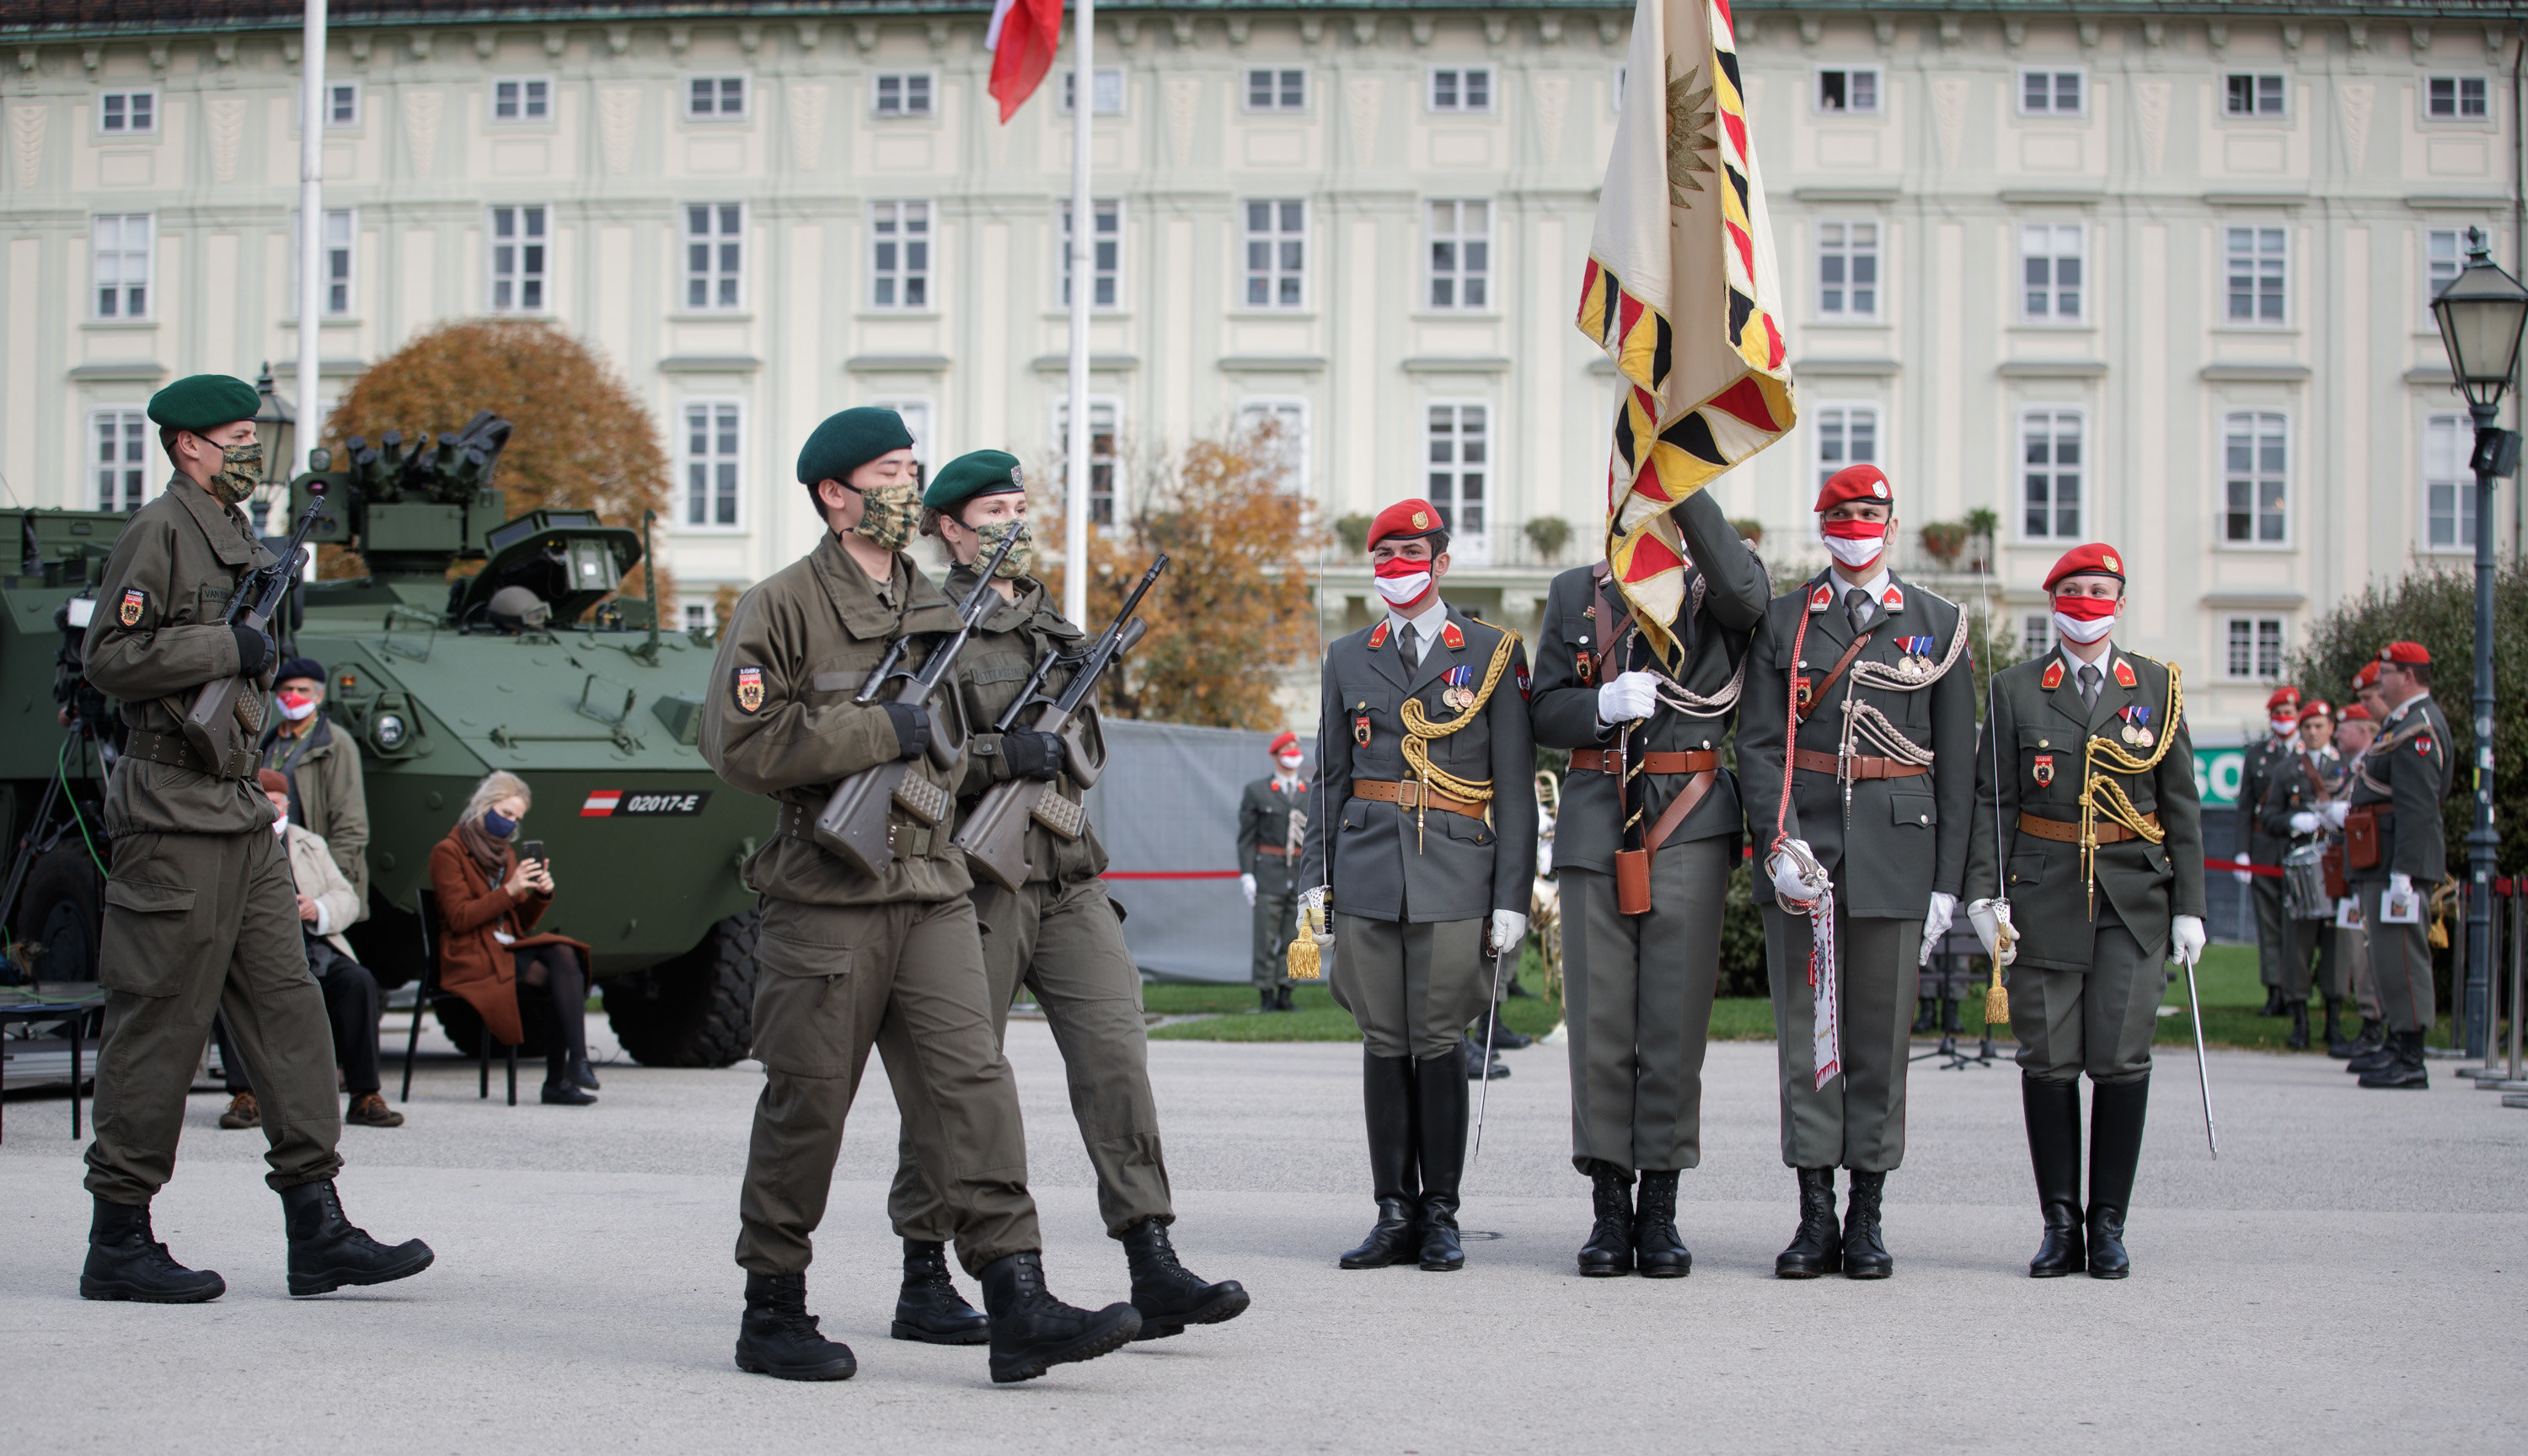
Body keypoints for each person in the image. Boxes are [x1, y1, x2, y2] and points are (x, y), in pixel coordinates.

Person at [700, 408, 1138, 1384]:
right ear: (834, 493)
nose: (906, 487)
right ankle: (772, 1303)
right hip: (826, 897)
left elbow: (958, 741)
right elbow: (738, 748)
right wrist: (875, 731)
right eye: (888, 472)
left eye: (911, 470)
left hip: (933, 882)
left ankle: (1017, 1295)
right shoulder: (780, 608)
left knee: (971, 1087)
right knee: (809, 1104)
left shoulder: (938, 608)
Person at [75, 372, 431, 1304]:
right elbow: (108, 661)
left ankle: (317, 1228)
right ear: (188, 445)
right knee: (158, 1021)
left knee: (289, 1009)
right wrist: (226, 650)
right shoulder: (158, 531)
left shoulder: (237, 536)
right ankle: (119, 1235)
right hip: (169, 811)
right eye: (236, 436)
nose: (251, 450)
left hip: (237, 810)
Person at [884, 449, 1247, 1346]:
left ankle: (1151, 1257)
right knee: (959, 1082)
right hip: (974, 882)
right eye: (992, 511)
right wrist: (1006, 758)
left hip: (1069, 875)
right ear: (948, 527)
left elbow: (1082, 749)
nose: (1012, 524)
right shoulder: (928, 626)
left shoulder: (1053, 624)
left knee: (1117, 1057)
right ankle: (925, 1275)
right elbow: (908, 751)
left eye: (1019, 506)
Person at [1734, 463, 1975, 1281]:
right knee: (1810, 1039)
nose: (1857, 525)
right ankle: (1813, 1217)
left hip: (1898, 851)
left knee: (1879, 1040)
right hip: (1810, 853)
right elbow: (1761, 744)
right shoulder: (1787, 621)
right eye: (1842, 513)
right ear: (1821, 526)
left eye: (1871, 513)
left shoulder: (1937, 623)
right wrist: (1779, 844)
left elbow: (1957, 767)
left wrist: (1947, 884)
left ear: (1893, 526)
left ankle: (1867, 1216)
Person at [1525, 485, 1767, 1279]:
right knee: (1599, 1028)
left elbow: (1750, 596)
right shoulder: (1576, 592)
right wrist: (1597, 703)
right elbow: (1542, 713)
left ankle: (1659, 1210)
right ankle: (1608, 1211)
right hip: (1600, 820)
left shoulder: (1713, 587)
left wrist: (1690, 488)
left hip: (1691, 817)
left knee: (1672, 1025)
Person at [1297, 497, 1536, 1273]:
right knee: (1382, 1040)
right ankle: (1392, 1211)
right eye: (1383, 557)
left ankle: (1442, 1214)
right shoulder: (1346, 655)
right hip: (1367, 868)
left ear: (1440, 563)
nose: (1394, 570)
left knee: (1437, 1040)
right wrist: (1314, 884)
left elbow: (1515, 786)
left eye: (1408, 556)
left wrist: (1511, 896)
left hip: (1457, 868)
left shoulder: (1493, 650)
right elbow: (1329, 781)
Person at [1964, 543, 2207, 1280]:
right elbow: (1991, 801)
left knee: (2121, 1057)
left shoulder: (2158, 687)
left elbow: (2182, 805)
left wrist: (2191, 909)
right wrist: (1983, 891)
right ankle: (2060, 1223)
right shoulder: (2016, 689)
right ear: (2052, 603)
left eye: (2100, 590)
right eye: (2072, 591)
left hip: (2135, 899)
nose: (2086, 602)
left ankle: (2109, 1225)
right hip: (2043, 895)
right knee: (2048, 1059)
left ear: (2122, 602)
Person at [214, 772, 403, 1130]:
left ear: (288, 803)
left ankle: (364, 1095)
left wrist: (317, 908)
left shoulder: (309, 843)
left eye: (276, 798)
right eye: (261, 796)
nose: (270, 804)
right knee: (230, 982)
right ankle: (246, 1095)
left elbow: (346, 896)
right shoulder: (231, 839)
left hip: (313, 948)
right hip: (256, 953)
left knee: (359, 982)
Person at [426, 772, 599, 1107]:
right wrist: (510, 890)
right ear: (484, 806)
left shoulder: (505, 855)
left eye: (517, 818)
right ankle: (565, 1074)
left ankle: (573, 1066)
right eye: (506, 814)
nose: (511, 824)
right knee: (562, 970)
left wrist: (540, 895)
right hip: (469, 954)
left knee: (565, 954)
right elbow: (460, 918)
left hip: (503, 946)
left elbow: (519, 923)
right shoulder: (447, 852)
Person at [2337, 642, 2455, 1090]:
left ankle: (2411, 1055)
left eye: (2386, 671)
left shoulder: (2418, 727)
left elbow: (2418, 806)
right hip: (2381, 860)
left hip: (2396, 863)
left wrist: (2405, 870)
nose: (2379, 679)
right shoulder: (2401, 724)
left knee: (2404, 958)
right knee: (2386, 958)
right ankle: (2396, 1043)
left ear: (2407, 676)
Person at [2254, 699, 2342, 1050]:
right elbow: (2268, 818)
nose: (2313, 732)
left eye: (2320, 725)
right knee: (2297, 947)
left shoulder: (2346, 767)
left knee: (2337, 946)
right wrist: (2293, 822)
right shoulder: (2288, 770)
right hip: (2301, 866)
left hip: (2336, 865)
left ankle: (2334, 1022)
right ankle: (2300, 1022)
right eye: (2308, 727)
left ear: (2331, 728)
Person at [258, 656, 369, 914]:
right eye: (287, 689)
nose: (293, 695)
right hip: (271, 867)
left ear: (318, 696)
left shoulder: (335, 745)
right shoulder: (267, 742)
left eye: (302, 690)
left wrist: (328, 887)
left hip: (311, 874)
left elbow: (350, 823)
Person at [2239, 684, 2305, 1017]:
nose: (2283, 720)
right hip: (2265, 848)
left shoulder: (2309, 753)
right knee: (2269, 925)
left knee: (2297, 925)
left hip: (2299, 849)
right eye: (2278, 715)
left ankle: (2297, 995)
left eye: (2289, 714)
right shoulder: (2257, 754)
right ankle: (2275, 991)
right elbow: (2245, 806)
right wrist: (2242, 852)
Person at [2327, 699, 2386, 1058]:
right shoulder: (2354, 768)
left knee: (2368, 953)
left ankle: (2376, 1027)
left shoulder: (2370, 764)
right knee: (2357, 951)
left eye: (2343, 727)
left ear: (2364, 729)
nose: (2337, 734)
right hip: (2355, 869)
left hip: (2370, 867)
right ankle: (2371, 1024)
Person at [1237, 731, 1310, 1012]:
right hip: (1269, 872)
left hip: (1303, 874)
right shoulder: (1257, 791)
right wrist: (1247, 874)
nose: (1293, 753)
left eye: (1296, 748)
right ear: (1276, 755)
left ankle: (1288, 993)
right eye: (1287, 749)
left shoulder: (1312, 791)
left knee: (1301, 938)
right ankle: (1266, 993)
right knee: (1265, 937)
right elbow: (1246, 837)